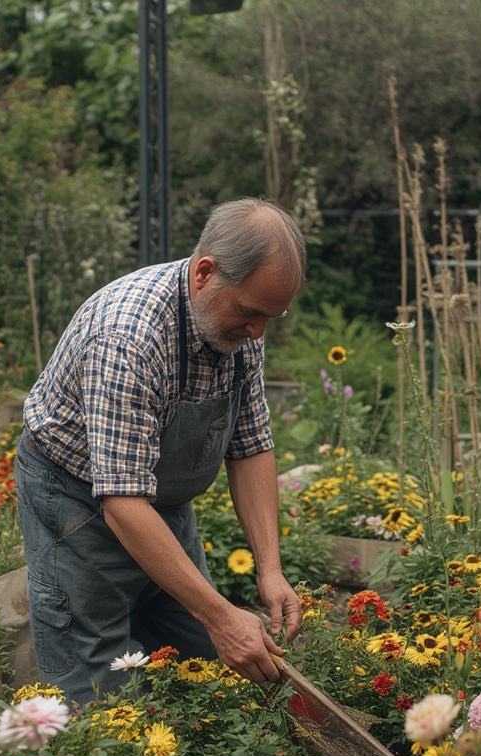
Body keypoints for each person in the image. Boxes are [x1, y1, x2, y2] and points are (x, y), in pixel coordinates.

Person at [15, 197, 305, 706]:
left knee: (203, 668)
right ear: (205, 273)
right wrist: (219, 615)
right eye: (251, 313)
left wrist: (270, 569)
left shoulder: (240, 326)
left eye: (271, 317)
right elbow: (123, 505)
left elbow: (251, 445)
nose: (259, 331)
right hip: (78, 503)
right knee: (102, 688)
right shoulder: (128, 336)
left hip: (159, 504)